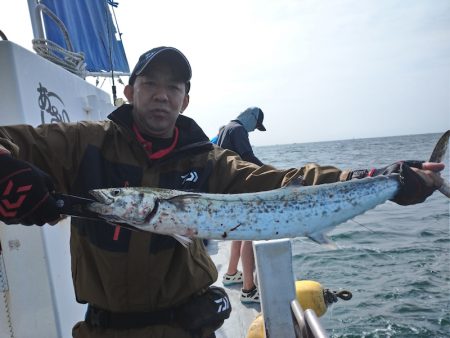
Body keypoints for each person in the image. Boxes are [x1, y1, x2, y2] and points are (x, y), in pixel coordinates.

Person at [0, 46, 444, 338]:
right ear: (130, 90)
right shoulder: (84, 142)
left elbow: (280, 183)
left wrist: (379, 177)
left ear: (185, 101)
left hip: (190, 328)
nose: (161, 96)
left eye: (173, 87)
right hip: (104, 328)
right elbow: (11, 142)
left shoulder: (208, 161)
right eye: (150, 84)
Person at [214, 107, 266, 303]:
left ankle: (231, 273)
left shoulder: (227, 128)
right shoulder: (239, 130)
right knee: (250, 234)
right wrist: (274, 173)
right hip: (240, 188)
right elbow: (249, 158)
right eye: (256, 125)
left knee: (239, 232)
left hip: (229, 189)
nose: (254, 129)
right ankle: (248, 289)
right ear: (251, 117)